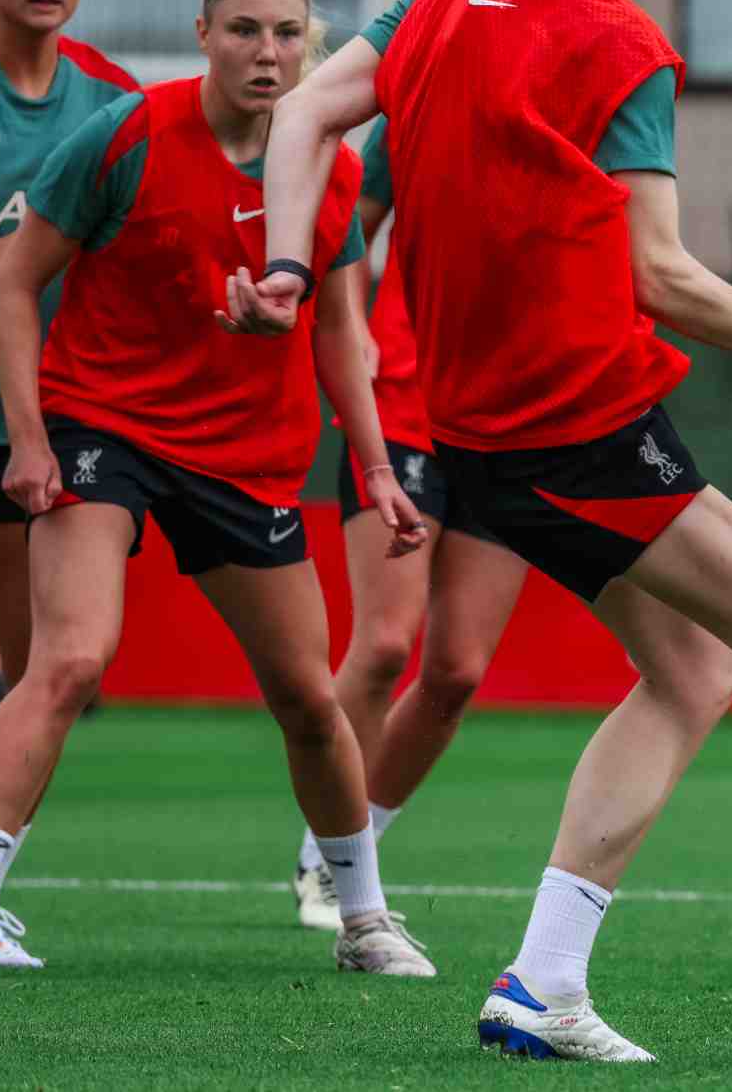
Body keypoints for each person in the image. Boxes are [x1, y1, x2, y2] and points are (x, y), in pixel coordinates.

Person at [249, 0, 732, 1060]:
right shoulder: (616, 39)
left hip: (475, 426)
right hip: (574, 420)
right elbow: (658, 271)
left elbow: (308, 110)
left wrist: (287, 268)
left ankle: (542, 983)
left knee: (692, 675)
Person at [0, 0, 438, 984]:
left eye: (288, 33)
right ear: (203, 37)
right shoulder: (123, 132)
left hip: (248, 456)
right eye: (245, 30)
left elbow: (339, 334)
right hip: (105, 424)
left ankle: (361, 915)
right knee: (71, 659)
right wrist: (31, 442)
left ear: (310, 41)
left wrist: (379, 468)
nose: (268, 52)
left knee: (308, 695)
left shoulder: (333, 163)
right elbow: (14, 284)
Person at [0, 0, 138, 972]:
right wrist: (17, 258)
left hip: (30, 424)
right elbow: (38, 259)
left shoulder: (114, 98)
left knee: (46, 677)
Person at [286, 115, 533, 933]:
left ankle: (358, 840)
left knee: (457, 669)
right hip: (402, 405)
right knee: (388, 641)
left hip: (513, 419)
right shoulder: (420, 114)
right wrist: (351, 331)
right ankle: (332, 856)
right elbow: (347, 239)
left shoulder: (591, 113)